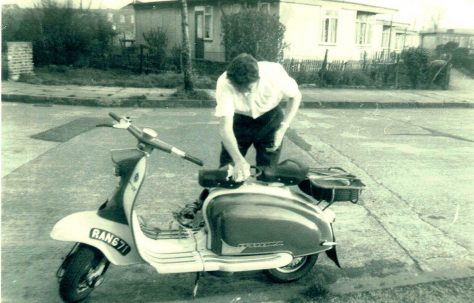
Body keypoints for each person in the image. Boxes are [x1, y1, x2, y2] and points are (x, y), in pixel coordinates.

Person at [177, 53, 302, 227]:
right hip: (239, 122)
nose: (247, 92)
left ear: (258, 77)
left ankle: (263, 221)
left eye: (250, 88)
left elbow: (296, 97)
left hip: (270, 120)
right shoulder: (224, 83)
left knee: (268, 175)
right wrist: (238, 160)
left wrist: (283, 127)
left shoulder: (275, 75)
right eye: (241, 89)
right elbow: (225, 127)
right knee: (227, 174)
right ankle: (208, 209)